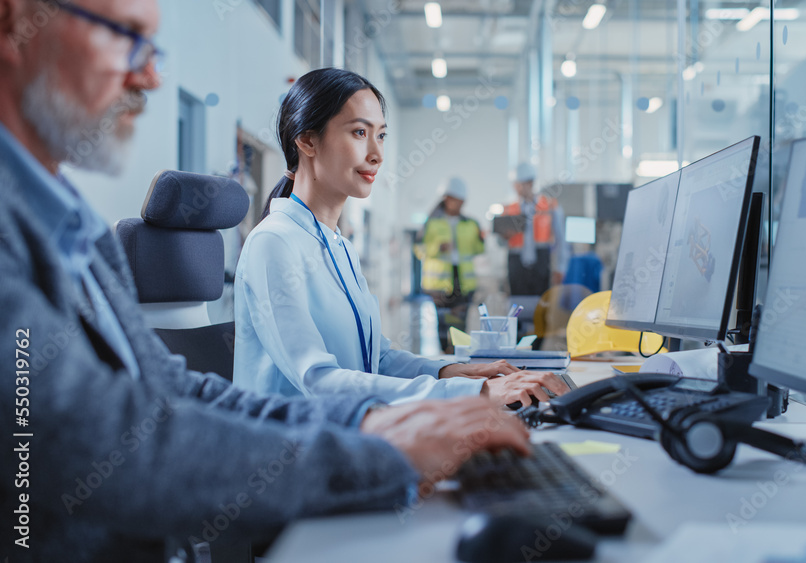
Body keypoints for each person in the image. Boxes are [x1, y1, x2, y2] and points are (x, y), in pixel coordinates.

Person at [0, 1, 530, 560]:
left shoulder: (77, 233)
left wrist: (405, 410)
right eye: (125, 36)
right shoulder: (273, 243)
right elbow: (95, 446)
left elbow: (179, 392)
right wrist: (386, 448)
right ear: (14, 19)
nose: (151, 75)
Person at [233, 68, 569, 406]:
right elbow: (319, 381)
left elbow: (377, 360)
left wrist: (451, 371)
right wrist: (476, 393)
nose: (376, 154)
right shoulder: (274, 243)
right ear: (307, 141)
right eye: (359, 132)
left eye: (380, 136)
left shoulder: (339, 248)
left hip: (348, 435)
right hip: (297, 449)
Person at [418, 177, 484, 352]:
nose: (460, 205)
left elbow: (479, 249)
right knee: (443, 323)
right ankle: (444, 358)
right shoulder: (431, 223)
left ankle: (459, 357)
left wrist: (485, 238)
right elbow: (419, 249)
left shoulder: (471, 224)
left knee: (460, 323)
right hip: (439, 283)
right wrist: (437, 248)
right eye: (457, 200)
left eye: (462, 201)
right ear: (446, 198)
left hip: (463, 281)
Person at [499, 162, 571, 296]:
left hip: (541, 261)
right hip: (516, 263)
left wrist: (561, 267)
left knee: (540, 306)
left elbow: (561, 240)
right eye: (516, 185)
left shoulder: (549, 205)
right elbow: (500, 242)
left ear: (530, 183)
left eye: (521, 185)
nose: (518, 189)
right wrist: (504, 237)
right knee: (518, 305)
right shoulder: (509, 208)